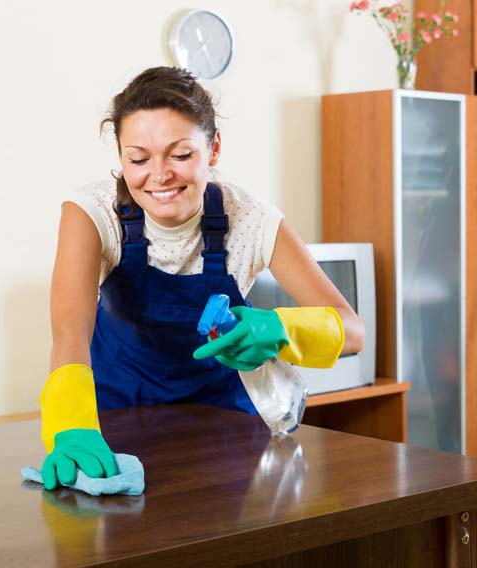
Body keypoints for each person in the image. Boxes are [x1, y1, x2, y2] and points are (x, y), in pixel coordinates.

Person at [40, 66, 365, 490]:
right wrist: (71, 427)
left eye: (180, 155)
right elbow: (69, 332)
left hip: (222, 424)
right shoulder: (92, 212)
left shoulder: (249, 218)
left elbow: (353, 329)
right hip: (115, 418)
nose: (158, 175)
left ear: (212, 150)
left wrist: (281, 328)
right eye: (138, 158)